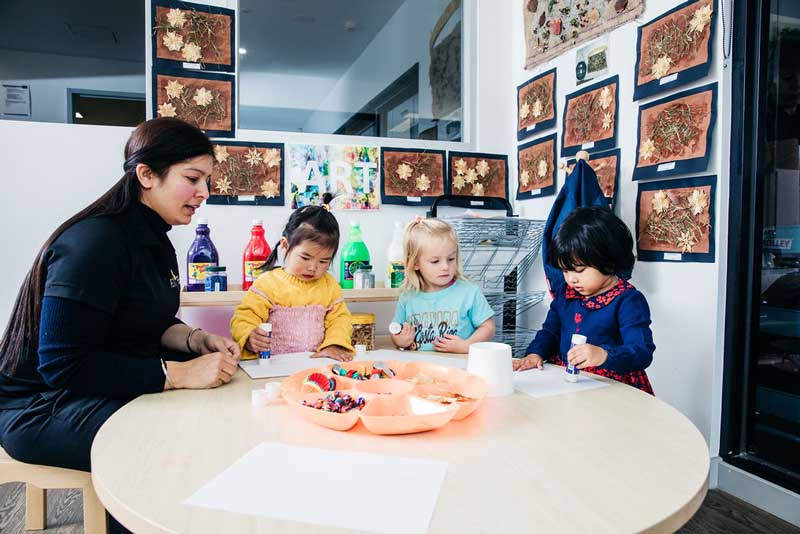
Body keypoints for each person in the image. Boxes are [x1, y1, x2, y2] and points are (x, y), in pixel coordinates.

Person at [514, 207, 655, 394]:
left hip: (612, 387)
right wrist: (535, 353)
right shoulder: (566, 293)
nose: (571, 279)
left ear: (608, 261)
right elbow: (550, 332)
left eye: (579, 270)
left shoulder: (628, 300)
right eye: (565, 271)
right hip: (570, 380)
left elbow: (641, 350)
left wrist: (604, 355)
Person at [230, 196, 354, 361]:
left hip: (315, 364)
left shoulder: (328, 285)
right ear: (285, 245)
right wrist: (249, 336)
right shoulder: (268, 283)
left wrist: (334, 344)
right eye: (305, 257)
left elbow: (340, 320)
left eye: (323, 261)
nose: (313, 267)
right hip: (273, 366)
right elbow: (244, 317)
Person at [390, 217, 495, 353]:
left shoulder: (468, 292)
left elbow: (488, 326)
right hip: (423, 369)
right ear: (415, 263)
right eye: (435, 261)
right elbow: (395, 330)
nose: (445, 267)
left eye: (451, 259)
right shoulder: (408, 296)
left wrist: (466, 346)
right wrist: (401, 341)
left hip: (460, 367)